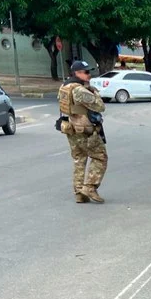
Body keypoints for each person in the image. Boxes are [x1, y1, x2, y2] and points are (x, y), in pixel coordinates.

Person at [57, 60, 107, 204]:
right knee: (100, 157)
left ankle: (79, 192)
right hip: (84, 130)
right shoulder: (79, 90)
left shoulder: (64, 86)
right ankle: (90, 187)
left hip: (70, 128)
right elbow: (100, 106)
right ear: (77, 73)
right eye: (86, 72)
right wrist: (95, 92)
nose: (89, 75)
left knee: (79, 159)